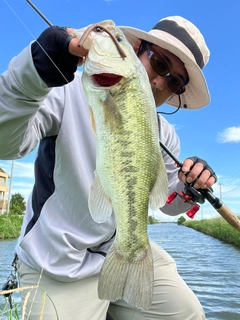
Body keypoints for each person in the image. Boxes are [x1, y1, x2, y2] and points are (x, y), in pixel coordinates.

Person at [0, 16, 217, 320]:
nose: (160, 81)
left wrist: (190, 188)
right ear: (137, 48)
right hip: (57, 264)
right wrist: (32, 75)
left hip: (120, 250)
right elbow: (6, 145)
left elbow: (165, 203)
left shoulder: (164, 134)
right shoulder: (63, 87)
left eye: (175, 82)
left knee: (188, 312)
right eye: (161, 64)